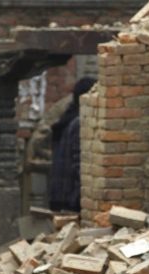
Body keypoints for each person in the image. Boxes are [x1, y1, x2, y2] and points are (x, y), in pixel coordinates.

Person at [50, 77, 98, 212]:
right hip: (70, 198)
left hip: (61, 195)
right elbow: (79, 164)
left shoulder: (68, 118)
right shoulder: (79, 123)